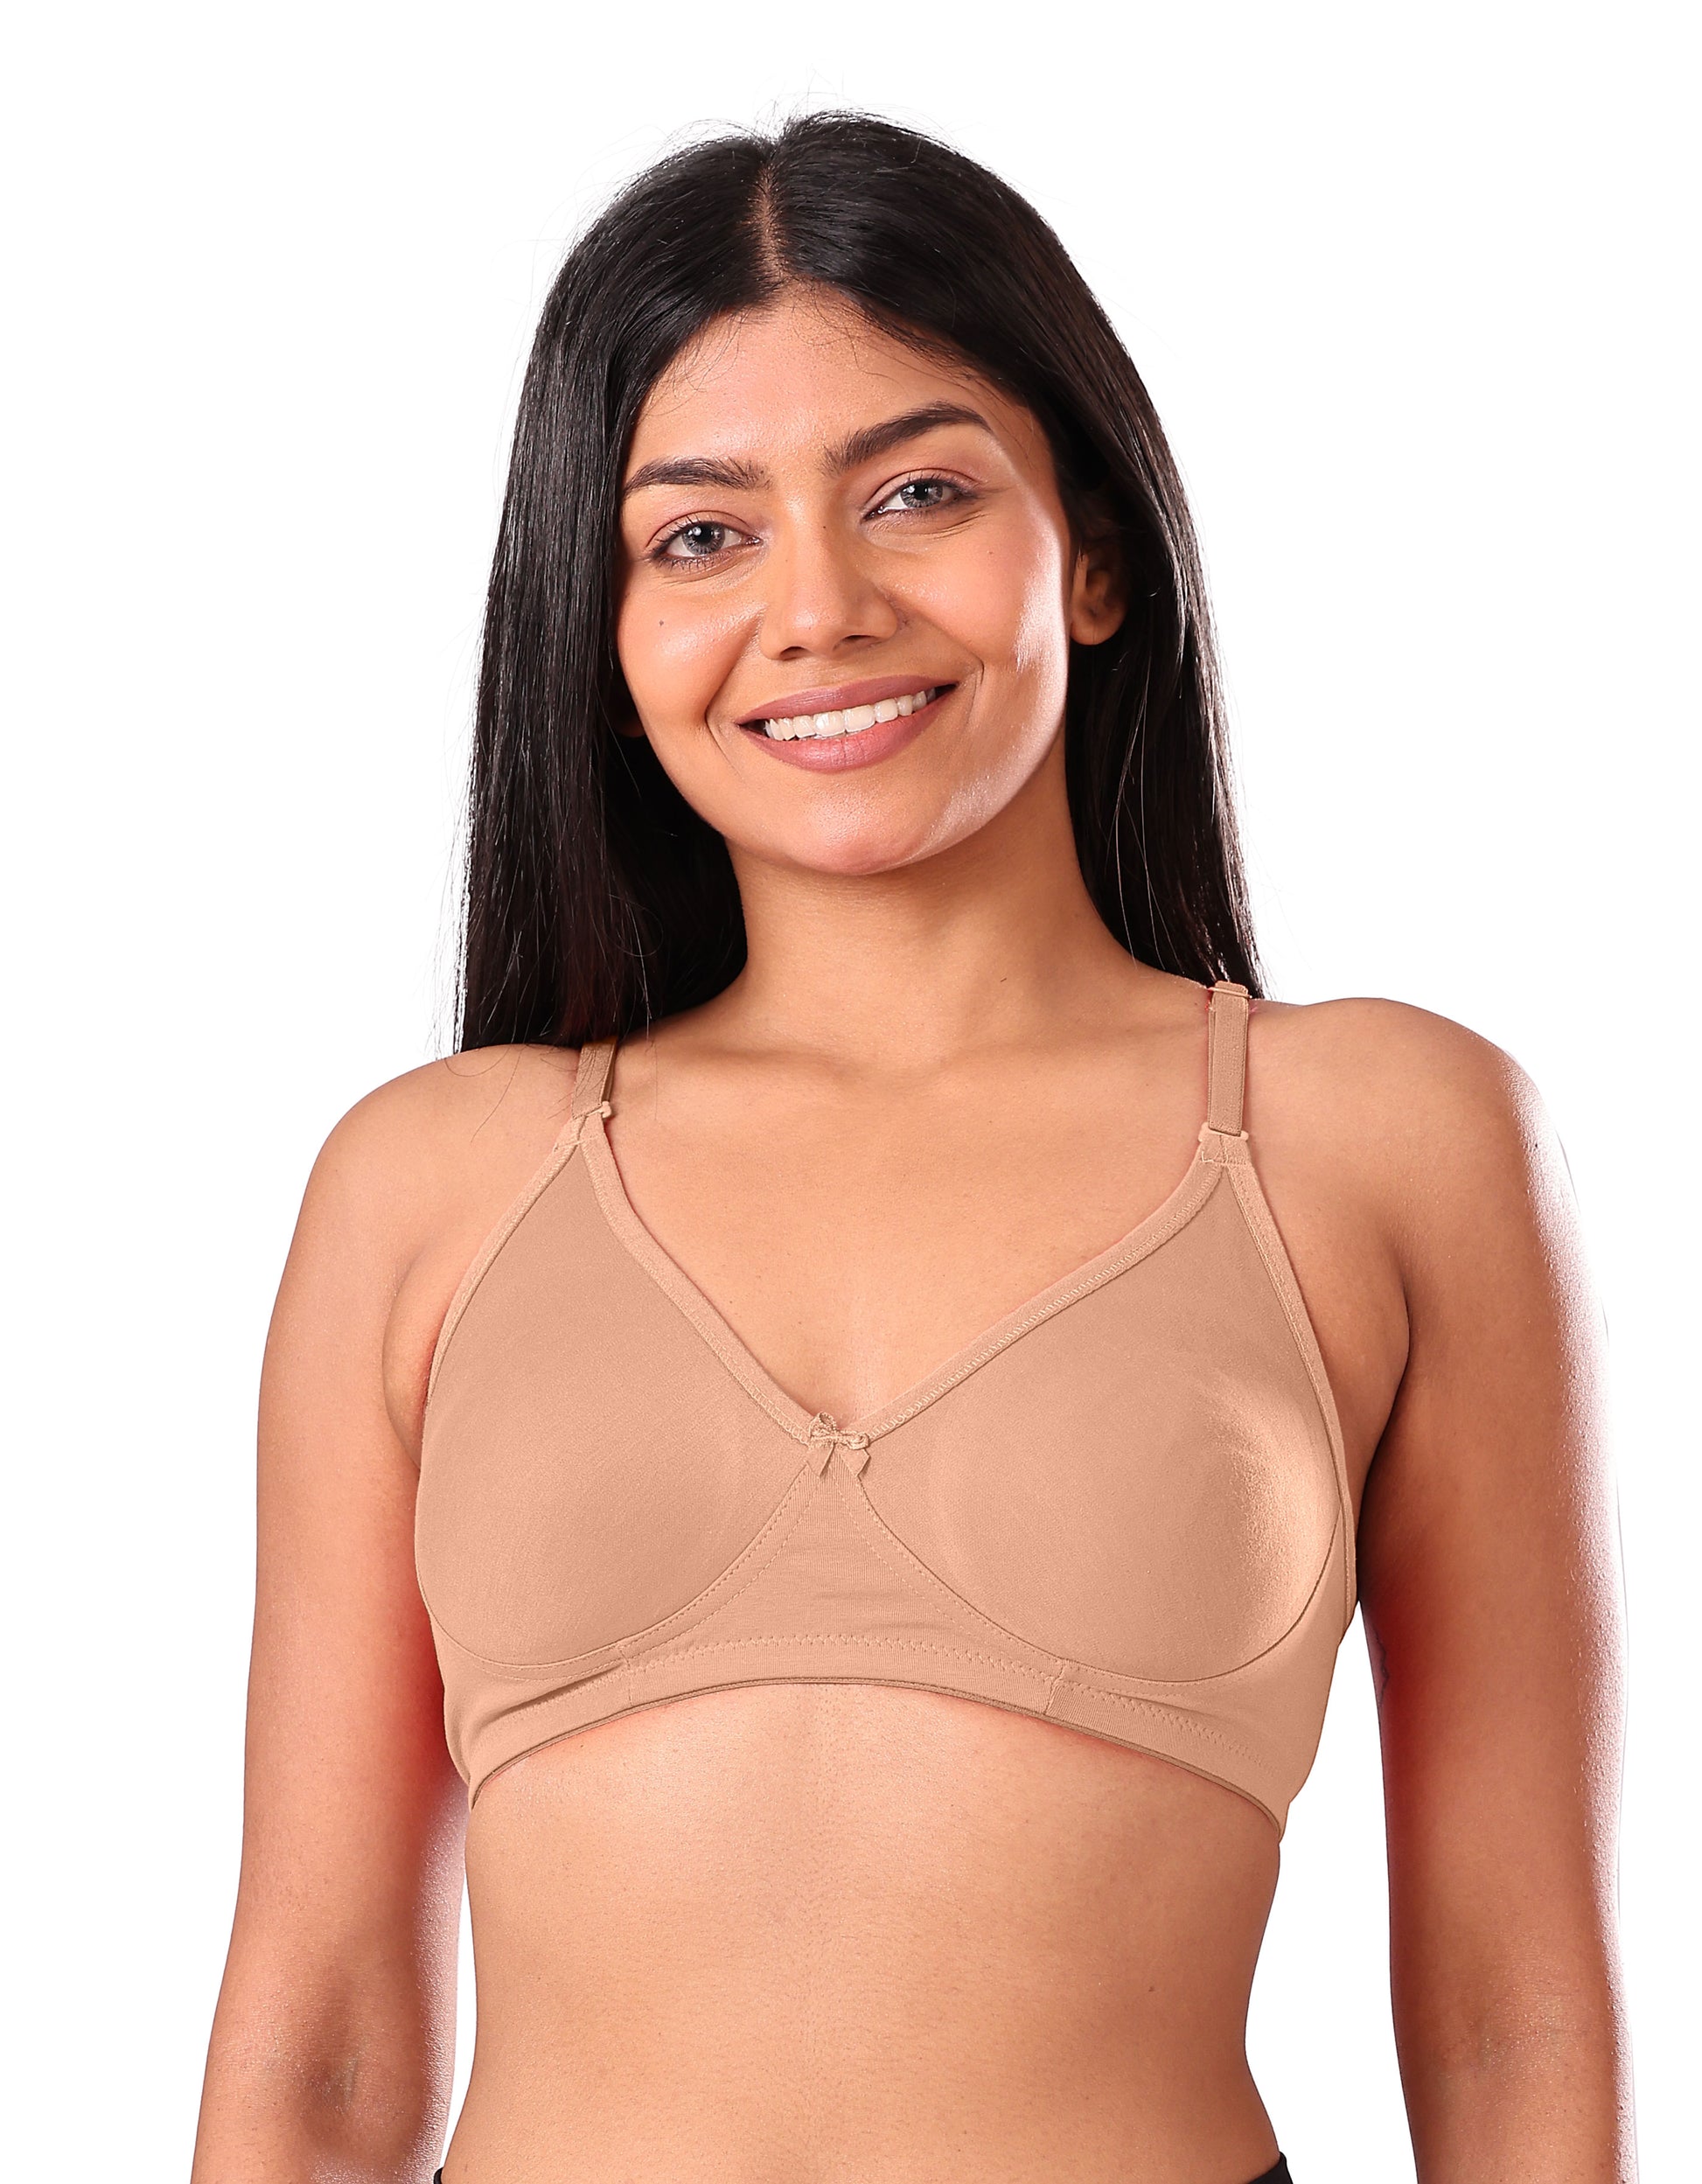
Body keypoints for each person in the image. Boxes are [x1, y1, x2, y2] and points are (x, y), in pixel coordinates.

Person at [190, 111, 1633, 2184]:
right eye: (701, 536)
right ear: (598, 626)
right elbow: (319, 2045)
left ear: (1096, 553)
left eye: (918, 494)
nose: (819, 606)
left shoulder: (1378, 1141)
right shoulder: (428, 1185)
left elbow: (1509, 2011)